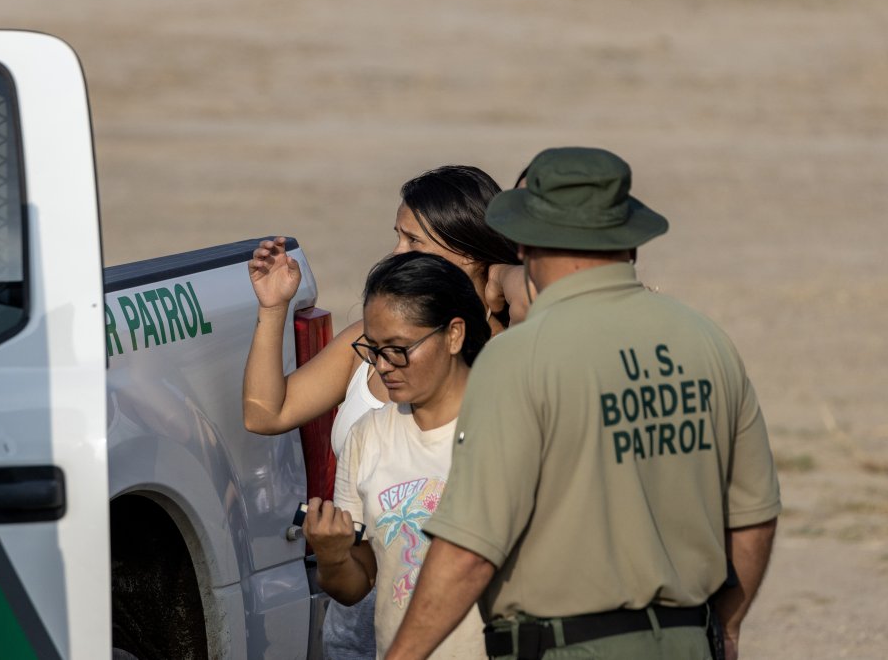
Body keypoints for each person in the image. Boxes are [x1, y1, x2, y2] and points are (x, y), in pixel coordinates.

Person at [384, 147, 781, 660]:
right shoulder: (705, 342)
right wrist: (723, 630)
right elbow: (752, 517)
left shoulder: (519, 359)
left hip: (567, 645)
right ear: (628, 239)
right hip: (689, 640)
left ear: (525, 241)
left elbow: (468, 550)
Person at [243, 166, 527, 660]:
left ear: (470, 253)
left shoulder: (509, 356)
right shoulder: (368, 341)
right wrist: (273, 309)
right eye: (397, 237)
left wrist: (500, 274)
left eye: (414, 243)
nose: (397, 254)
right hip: (361, 626)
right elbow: (267, 412)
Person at [302, 252, 492, 660]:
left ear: (454, 335)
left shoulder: (509, 423)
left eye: (399, 348)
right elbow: (360, 582)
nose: (384, 365)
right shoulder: (368, 436)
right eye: (373, 348)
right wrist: (333, 556)